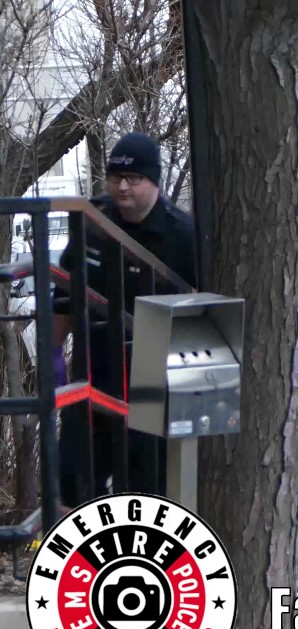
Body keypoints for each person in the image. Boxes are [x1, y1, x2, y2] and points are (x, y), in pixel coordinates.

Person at [53, 131, 199, 505]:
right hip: (95, 362)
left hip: (153, 367)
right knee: (71, 478)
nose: (122, 187)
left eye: (134, 179)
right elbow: (64, 296)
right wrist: (52, 353)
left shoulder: (181, 235)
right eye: (116, 177)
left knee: (143, 485)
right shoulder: (91, 223)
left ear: (154, 182)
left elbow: (203, 307)